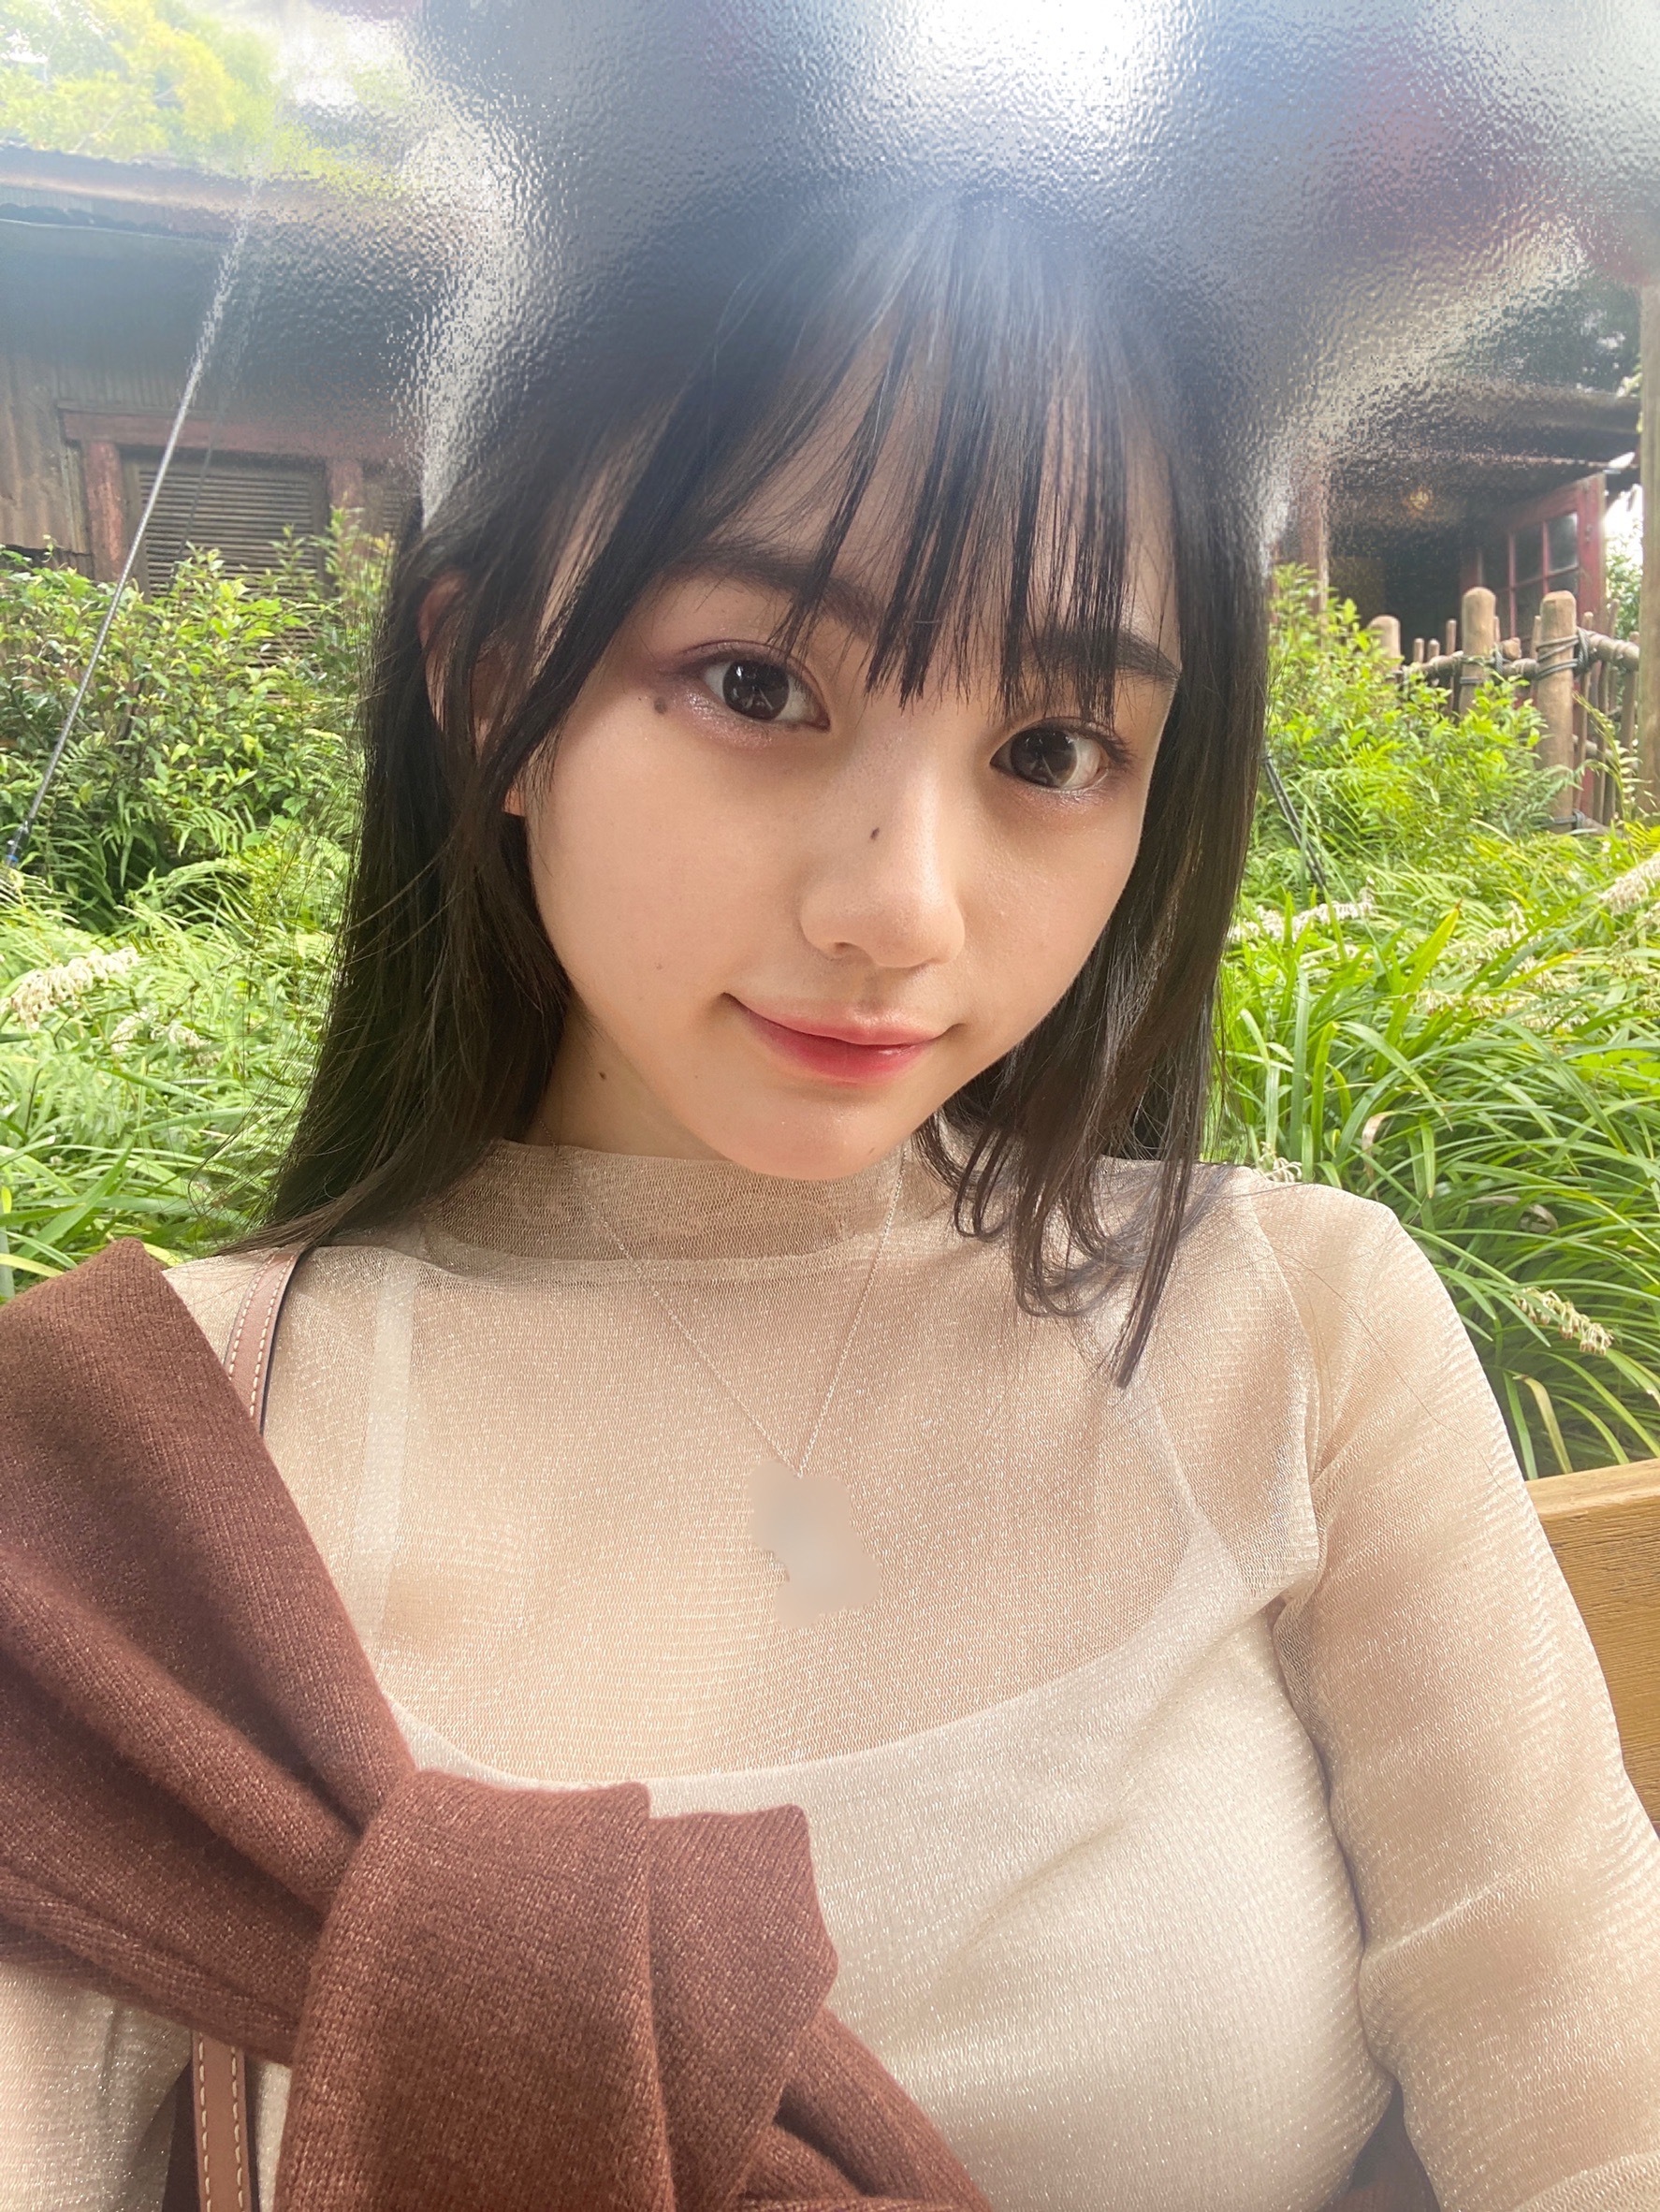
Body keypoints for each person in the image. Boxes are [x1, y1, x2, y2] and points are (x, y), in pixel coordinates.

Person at [2, 195, 1657, 2212]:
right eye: (754, 683)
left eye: (1051, 744)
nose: (900, 905)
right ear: (489, 687)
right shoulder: (148, 1464)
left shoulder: (1284, 1334)